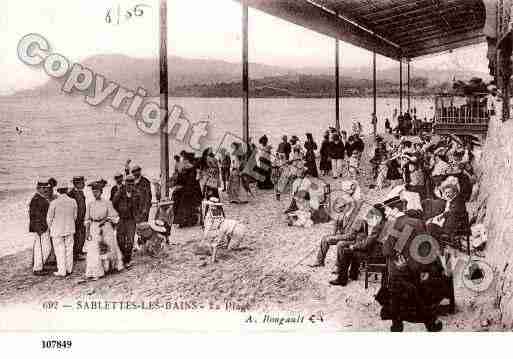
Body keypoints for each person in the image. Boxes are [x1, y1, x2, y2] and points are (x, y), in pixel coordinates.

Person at [381, 197, 444, 332]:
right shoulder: (417, 222)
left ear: (395, 209)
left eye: (386, 210)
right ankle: (430, 323)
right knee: (416, 294)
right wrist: (424, 268)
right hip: (418, 268)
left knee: (395, 292)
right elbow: (426, 246)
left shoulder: (393, 224)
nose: (385, 213)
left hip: (401, 270)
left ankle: (397, 324)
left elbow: (386, 250)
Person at [330, 205, 386, 286]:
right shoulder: (383, 223)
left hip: (374, 254)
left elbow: (367, 244)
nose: (370, 214)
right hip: (376, 249)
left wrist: (354, 246)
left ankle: (342, 280)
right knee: (353, 250)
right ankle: (353, 275)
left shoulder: (378, 227)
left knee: (347, 252)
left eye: (373, 213)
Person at [309, 181, 361, 267]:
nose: (339, 208)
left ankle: (338, 266)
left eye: (341, 207)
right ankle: (319, 261)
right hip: (344, 234)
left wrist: (336, 236)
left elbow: (351, 235)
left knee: (337, 242)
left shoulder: (354, 214)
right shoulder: (342, 212)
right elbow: (337, 222)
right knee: (324, 239)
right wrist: (334, 233)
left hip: (351, 237)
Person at [84, 180, 124, 280]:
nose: (95, 193)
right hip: (94, 227)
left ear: (101, 191)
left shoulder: (107, 203)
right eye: (93, 191)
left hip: (106, 226)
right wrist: (87, 232)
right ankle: (96, 271)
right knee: (93, 249)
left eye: (97, 191)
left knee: (110, 245)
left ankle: (112, 266)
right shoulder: (90, 204)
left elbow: (115, 216)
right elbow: (87, 219)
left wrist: (106, 219)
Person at [46, 181, 77, 277]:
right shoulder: (73, 201)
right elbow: (75, 216)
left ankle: (62, 270)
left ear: (58, 191)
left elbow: (49, 218)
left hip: (57, 229)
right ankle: (69, 269)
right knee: (69, 249)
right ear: (67, 190)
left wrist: (51, 227)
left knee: (60, 250)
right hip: (70, 228)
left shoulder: (54, 203)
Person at [112, 175, 142, 268]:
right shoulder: (120, 192)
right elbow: (114, 203)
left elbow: (139, 206)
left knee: (130, 240)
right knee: (119, 239)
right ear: (125, 184)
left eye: (131, 184)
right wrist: (120, 211)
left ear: (133, 184)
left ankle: (127, 259)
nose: (130, 186)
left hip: (131, 220)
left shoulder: (137, 193)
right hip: (122, 219)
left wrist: (137, 217)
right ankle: (124, 256)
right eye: (128, 184)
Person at [172, 152, 203, 227]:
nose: (183, 161)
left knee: (179, 200)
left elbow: (181, 180)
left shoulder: (185, 169)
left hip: (188, 191)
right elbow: (195, 180)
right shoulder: (193, 168)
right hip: (193, 191)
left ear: (187, 160)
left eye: (184, 159)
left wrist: (178, 185)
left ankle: (182, 220)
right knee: (179, 198)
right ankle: (187, 220)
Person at [29, 180, 51, 276]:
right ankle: (38, 268)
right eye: (43, 188)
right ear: (38, 188)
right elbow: (34, 215)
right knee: (43, 248)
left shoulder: (39, 198)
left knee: (43, 248)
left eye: (46, 188)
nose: (45, 190)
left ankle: (39, 265)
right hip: (41, 228)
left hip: (42, 227)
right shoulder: (37, 199)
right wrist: (38, 229)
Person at [68, 176, 87, 261]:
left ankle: (80, 251)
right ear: (77, 184)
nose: (84, 184)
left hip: (81, 218)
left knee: (82, 235)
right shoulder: (71, 194)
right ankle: (76, 254)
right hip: (76, 219)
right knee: (77, 236)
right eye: (82, 183)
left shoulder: (81, 192)